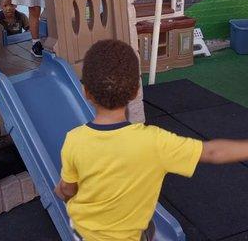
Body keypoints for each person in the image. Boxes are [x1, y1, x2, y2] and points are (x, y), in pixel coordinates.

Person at [55, 39, 248, 241]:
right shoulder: (154, 142)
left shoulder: (74, 140)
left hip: (83, 232)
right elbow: (212, 152)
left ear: (86, 92)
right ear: (135, 91)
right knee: (147, 229)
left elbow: (67, 188)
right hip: (129, 236)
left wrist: (61, 192)